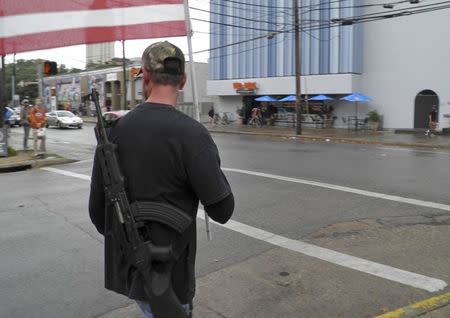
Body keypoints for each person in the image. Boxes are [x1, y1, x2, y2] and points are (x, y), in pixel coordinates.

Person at [89, 41, 234, 318]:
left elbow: (98, 215)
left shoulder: (113, 133)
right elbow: (223, 210)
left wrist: (136, 242)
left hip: (135, 276)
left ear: (145, 77)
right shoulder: (193, 134)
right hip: (174, 281)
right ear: (183, 80)